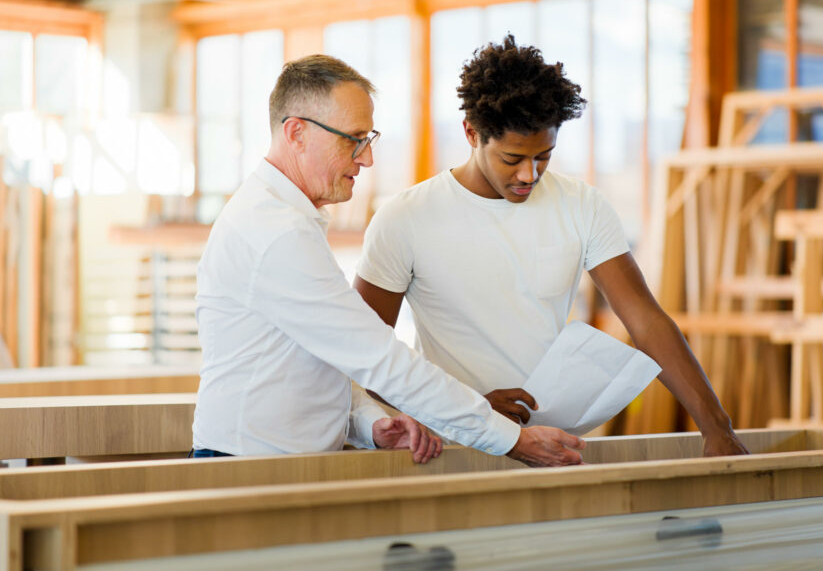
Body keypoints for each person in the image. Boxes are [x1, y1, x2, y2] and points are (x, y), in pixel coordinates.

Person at [354, 36, 747, 457]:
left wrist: (716, 427)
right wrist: (470, 410)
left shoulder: (582, 205)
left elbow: (645, 319)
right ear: (471, 132)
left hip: (554, 444)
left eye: (544, 155)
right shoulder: (405, 218)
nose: (529, 174)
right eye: (512, 158)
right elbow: (363, 352)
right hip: (452, 447)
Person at [191, 54, 585, 467]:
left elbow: (318, 360)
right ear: (296, 133)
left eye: (369, 139)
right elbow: (379, 358)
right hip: (245, 466)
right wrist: (510, 440)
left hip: (270, 463)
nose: (366, 158)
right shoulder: (276, 232)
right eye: (352, 139)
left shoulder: (287, 220)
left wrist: (370, 423)